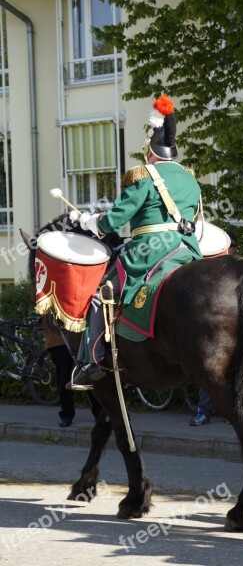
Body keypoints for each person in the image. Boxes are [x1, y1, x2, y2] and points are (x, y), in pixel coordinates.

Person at [68, 95, 203, 389]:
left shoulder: (142, 175)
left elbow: (114, 220)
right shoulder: (190, 178)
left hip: (149, 250)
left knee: (100, 295)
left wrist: (90, 221)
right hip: (187, 248)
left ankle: (91, 362)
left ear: (149, 149)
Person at [190, 231, 238, 426]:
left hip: (234, 331)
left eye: (231, 246)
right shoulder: (212, 271)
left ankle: (232, 412)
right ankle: (204, 411)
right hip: (215, 332)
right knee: (209, 370)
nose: (228, 250)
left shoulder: (239, 270)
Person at [41, 314, 102, 426]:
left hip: (79, 333)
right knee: (65, 376)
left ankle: (99, 414)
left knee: (89, 372)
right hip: (58, 336)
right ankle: (67, 414)